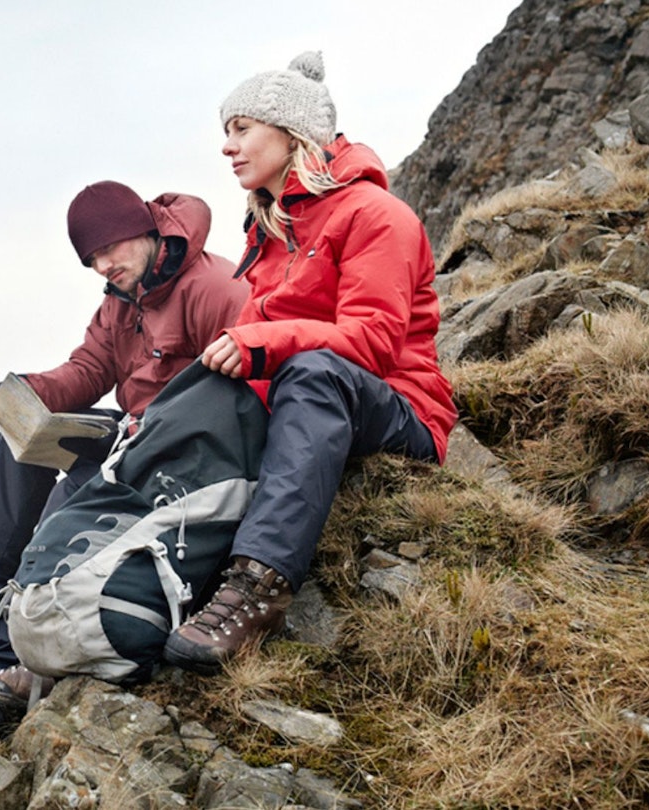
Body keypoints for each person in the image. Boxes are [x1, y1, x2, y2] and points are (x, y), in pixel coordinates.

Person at [0, 181, 247, 748]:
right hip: (130, 436)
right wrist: (18, 393)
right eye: (91, 258)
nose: (102, 265)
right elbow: (86, 370)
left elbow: (254, 381)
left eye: (110, 249)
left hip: (176, 459)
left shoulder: (213, 287)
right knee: (19, 436)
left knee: (65, 517)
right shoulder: (121, 300)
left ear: (145, 230)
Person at [161, 52, 457, 674]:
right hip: (308, 407)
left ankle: (259, 586)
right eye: (226, 132)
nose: (227, 147)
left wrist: (263, 346)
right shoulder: (270, 233)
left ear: (292, 133)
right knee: (180, 421)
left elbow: (373, 342)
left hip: (399, 409)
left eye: (242, 129)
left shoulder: (378, 215)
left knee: (312, 369)